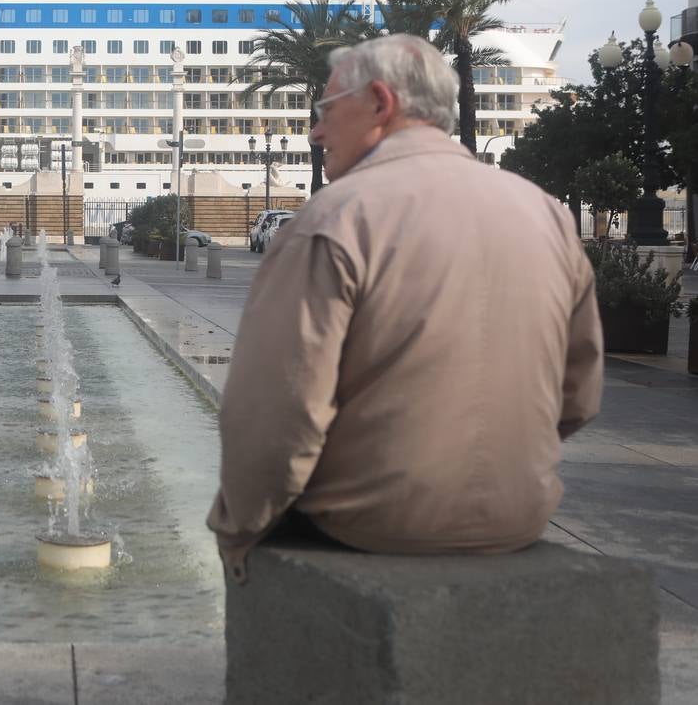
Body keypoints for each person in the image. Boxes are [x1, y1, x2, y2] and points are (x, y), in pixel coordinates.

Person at [208, 34, 603, 583]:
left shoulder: (335, 218)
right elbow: (579, 395)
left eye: (325, 110)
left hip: (370, 524)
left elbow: (276, 416)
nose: (316, 130)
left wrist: (238, 531)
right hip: (521, 517)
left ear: (379, 102)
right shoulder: (547, 214)